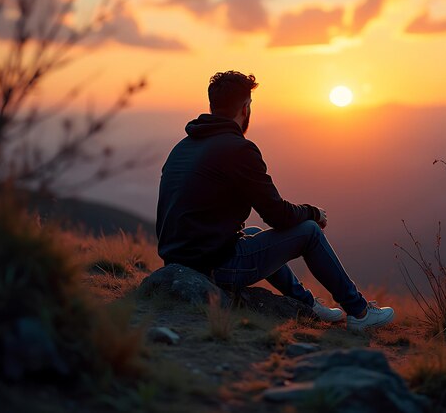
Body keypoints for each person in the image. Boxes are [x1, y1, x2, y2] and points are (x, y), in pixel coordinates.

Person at [156, 71, 394, 331]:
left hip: (177, 260)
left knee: (254, 233)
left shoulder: (183, 146)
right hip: (214, 267)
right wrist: (312, 213)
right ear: (246, 108)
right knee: (309, 233)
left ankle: (306, 305)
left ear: (212, 106)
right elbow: (277, 215)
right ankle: (359, 313)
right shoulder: (238, 149)